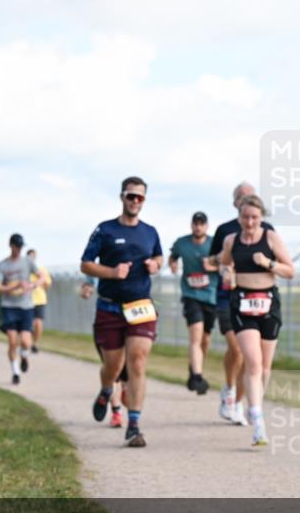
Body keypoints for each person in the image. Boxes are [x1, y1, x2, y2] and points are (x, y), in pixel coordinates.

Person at [81, 176, 163, 447]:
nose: (135, 201)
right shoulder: (105, 230)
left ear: (144, 200)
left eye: (140, 197)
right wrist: (112, 272)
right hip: (110, 307)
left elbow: (159, 257)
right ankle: (107, 390)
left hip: (140, 306)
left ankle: (134, 425)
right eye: (131, 196)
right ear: (122, 197)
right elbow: (86, 264)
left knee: (137, 361)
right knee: (113, 367)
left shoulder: (150, 232)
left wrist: (155, 265)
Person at [218, 195, 294, 446]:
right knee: (253, 362)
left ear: (261, 218)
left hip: (269, 303)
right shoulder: (231, 240)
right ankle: (258, 421)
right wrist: (227, 273)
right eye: (245, 217)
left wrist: (268, 262)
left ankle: (254, 403)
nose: (249, 222)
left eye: (254, 217)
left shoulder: (270, 238)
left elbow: (290, 271)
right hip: (242, 304)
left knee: (264, 368)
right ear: (239, 217)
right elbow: (224, 263)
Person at [207, 182, 276, 424]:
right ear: (235, 203)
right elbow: (212, 261)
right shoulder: (225, 231)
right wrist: (224, 266)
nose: (247, 202)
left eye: (252, 198)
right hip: (230, 298)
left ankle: (239, 402)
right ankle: (229, 390)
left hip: (259, 299)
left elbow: (278, 262)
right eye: (242, 198)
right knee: (237, 349)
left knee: (253, 360)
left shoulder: (267, 230)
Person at [170, 211, 219, 394]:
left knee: (205, 339)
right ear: (191, 225)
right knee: (195, 335)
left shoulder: (215, 243)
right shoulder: (182, 243)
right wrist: (173, 264)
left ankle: (195, 369)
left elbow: (227, 264)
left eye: (201, 224)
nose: (198, 227)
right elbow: (173, 256)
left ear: (206, 226)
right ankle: (198, 377)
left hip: (210, 296)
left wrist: (212, 267)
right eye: (195, 223)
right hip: (191, 295)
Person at [0, 233, 40, 385]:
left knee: (26, 341)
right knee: (12, 341)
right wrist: (13, 286)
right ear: (11, 246)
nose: (18, 249)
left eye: (21, 247)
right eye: (16, 246)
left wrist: (32, 285)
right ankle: (15, 372)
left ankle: (24, 355)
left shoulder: (28, 262)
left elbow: (41, 277)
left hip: (26, 306)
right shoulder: (2, 265)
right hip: (9, 306)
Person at [81, 275, 128, 427]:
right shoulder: (104, 262)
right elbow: (89, 281)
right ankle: (116, 412)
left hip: (133, 317)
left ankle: (128, 404)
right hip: (107, 319)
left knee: (129, 369)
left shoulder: (139, 255)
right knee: (113, 369)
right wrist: (87, 289)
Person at [27, 249, 52, 353]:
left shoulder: (41, 270)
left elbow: (47, 284)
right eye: (30, 256)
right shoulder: (25, 270)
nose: (32, 258)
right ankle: (27, 342)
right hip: (27, 300)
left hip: (40, 300)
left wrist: (39, 280)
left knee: (38, 323)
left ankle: (35, 343)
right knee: (29, 324)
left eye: (33, 256)